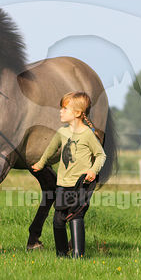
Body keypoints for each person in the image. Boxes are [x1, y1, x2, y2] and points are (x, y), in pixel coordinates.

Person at [31, 91, 106, 258]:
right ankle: (61, 255)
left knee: (75, 216)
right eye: (61, 108)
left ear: (78, 113)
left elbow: (101, 155)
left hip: (81, 184)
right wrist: (41, 163)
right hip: (63, 184)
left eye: (65, 108)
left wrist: (93, 170)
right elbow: (50, 150)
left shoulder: (87, 134)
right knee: (58, 220)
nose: (60, 111)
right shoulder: (62, 132)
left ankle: (78, 255)